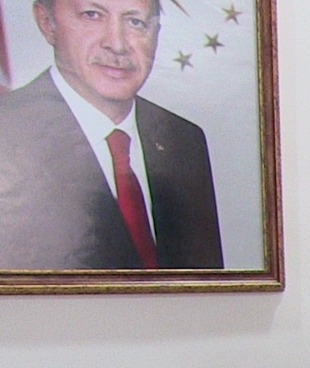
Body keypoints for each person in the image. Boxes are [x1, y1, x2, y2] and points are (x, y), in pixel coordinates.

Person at [0, 0, 222, 270]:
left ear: (156, 32)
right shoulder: (7, 134)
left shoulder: (183, 140)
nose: (117, 44)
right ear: (47, 22)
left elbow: (202, 287)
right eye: (92, 15)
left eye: (135, 21)